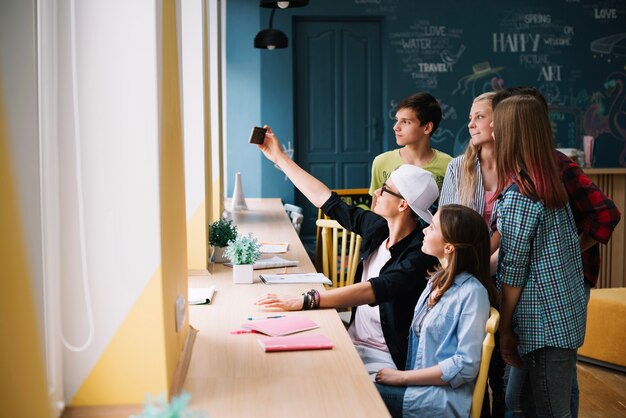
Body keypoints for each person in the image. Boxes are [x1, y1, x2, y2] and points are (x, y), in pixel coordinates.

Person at [254, 125, 440, 376]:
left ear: (403, 204)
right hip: (352, 342)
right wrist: (279, 157)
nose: (377, 192)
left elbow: (373, 289)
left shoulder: (419, 254)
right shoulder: (379, 228)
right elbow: (328, 200)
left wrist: (306, 300)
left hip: (385, 358)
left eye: (384, 189)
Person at [492, 86, 621, 417]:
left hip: (541, 322)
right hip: (561, 312)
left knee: (551, 408)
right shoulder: (546, 182)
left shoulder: (522, 194)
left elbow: (513, 272)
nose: (491, 129)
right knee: (523, 401)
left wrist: (504, 327)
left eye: (496, 124)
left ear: (511, 132)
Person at [374, 204, 499, 418]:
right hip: (419, 389)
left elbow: (466, 364)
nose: (424, 230)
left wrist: (402, 378)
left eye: (431, 228)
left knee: (354, 391)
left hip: (440, 402)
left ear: (449, 247)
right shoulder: (435, 280)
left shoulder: (473, 293)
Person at [439, 91, 505, 418]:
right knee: (473, 368)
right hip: (467, 282)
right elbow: (448, 229)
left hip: (510, 279)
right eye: (470, 116)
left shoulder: (519, 169)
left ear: (501, 120)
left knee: (504, 372)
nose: (471, 123)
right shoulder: (458, 168)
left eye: (479, 116)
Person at [369, 92, 452, 212]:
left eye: (406, 122)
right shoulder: (381, 161)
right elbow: (375, 210)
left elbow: (449, 213)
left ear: (427, 127)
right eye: (397, 120)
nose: (396, 127)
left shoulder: (448, 164)